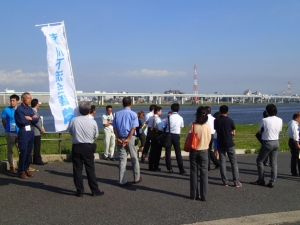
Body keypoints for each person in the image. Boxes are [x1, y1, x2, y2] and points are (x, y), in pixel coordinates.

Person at [69, 102, 104, 197]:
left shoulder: (74, 120)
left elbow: (71, 132)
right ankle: (94, 190)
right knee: (90, 169)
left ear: (79, 111)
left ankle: (79, 190)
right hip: (88, 146)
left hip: (76, 146)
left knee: (77, 169)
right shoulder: (92, 121)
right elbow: (96, 135)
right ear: (89, 111)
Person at [250, 104, 282, 188]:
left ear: (267, 112)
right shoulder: (280, 120)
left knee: (259, 161)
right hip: (276, 142)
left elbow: (260, 131)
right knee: (273, 163)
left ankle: (261, 179)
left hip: (267, 142)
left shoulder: (264, 120)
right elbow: (279, 130)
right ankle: (272, 181)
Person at [113, 97, 142, 186]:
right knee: (134, 158)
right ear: (131, 104)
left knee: (122, 159)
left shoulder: (117, 114)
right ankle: (136, 178)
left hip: (120, 138)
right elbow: (133, 128)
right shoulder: (133, 114)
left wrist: (118, 138)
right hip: (131, 138)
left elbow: (114, 127)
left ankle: (122, 180)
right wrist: (128, 139)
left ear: (122, 104)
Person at [214, 105, 242, 187]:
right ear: (227, 112)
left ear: (219, 111)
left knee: (222, 162)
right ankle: (236, 181)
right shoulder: (230, 120)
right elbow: (233, 130)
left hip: (220, 143)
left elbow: (216, 129)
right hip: (229, 143)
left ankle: (225, 181)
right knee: (233, 162)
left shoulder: (216, 121)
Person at [187, 106, 211, 201]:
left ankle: (193, 194)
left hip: (194, 150)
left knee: (193, 172)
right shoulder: (207, 127)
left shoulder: (192, 125)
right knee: (204, 173)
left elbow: (187, 137)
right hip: (204, 150)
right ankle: (204, 195)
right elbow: (209, 139)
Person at [15, 92, 39, 179]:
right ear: (23, 99)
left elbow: (37, 120)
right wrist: (32, 119)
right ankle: (21, 170)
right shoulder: (19, 110)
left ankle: (26, 168)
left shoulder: (30, 109)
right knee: (24, 151)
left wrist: (30, 118)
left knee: (29, 151)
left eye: (30, 98)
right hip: (23, 132)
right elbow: (22, 121)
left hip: (30, 132)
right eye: (28, 98)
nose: (29, 100)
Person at [165, 103, 186, 174]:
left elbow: (165, 125)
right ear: (178, 109)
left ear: (171, 109)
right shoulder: (180, 118)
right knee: (178, 152)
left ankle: (170, 168)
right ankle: (181, 169)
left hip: (168, 135)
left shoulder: (168, 117)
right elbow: (181, 127)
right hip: (176, 135)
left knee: (168, 152)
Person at [1, 94, 20, 173]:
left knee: (21, 150)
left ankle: (22, 165)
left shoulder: (20, 109)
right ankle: (12, 165)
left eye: (13, 101)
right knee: (10, 150)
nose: (12, 102)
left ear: (17, 101)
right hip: (10, 132)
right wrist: (6, 128)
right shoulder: (6, 110)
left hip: (19, 132)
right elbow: (3, 120)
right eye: (11, 100)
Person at [31, 99, 47, 165]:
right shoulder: (33, 112)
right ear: (36, 104)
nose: (39, 105)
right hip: (36, 132)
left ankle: (36, 159)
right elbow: (36, 122)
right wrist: (41, 129)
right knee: (37, 146)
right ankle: (37, 160)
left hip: (35, 131)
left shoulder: (33, 111)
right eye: (38, 103)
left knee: (34, 146)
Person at [148, 106, 163, 172]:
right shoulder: (157, 119)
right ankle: (156, 166)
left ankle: (150, 166)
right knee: (157, 152)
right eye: (160, 111)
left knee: (152, 151)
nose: (161, 112)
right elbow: (160, 128)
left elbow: (149, 126)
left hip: (152, 136)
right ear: (157, 111)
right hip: (157, 137)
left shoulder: (151, 118)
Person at [204, 106, 220, 170]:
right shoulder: (214, 118)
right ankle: (216, 163)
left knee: (207, 150)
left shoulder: (205, 118)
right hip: (213, 135)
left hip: (207, 135)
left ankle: (210, 165)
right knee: (209, 150)